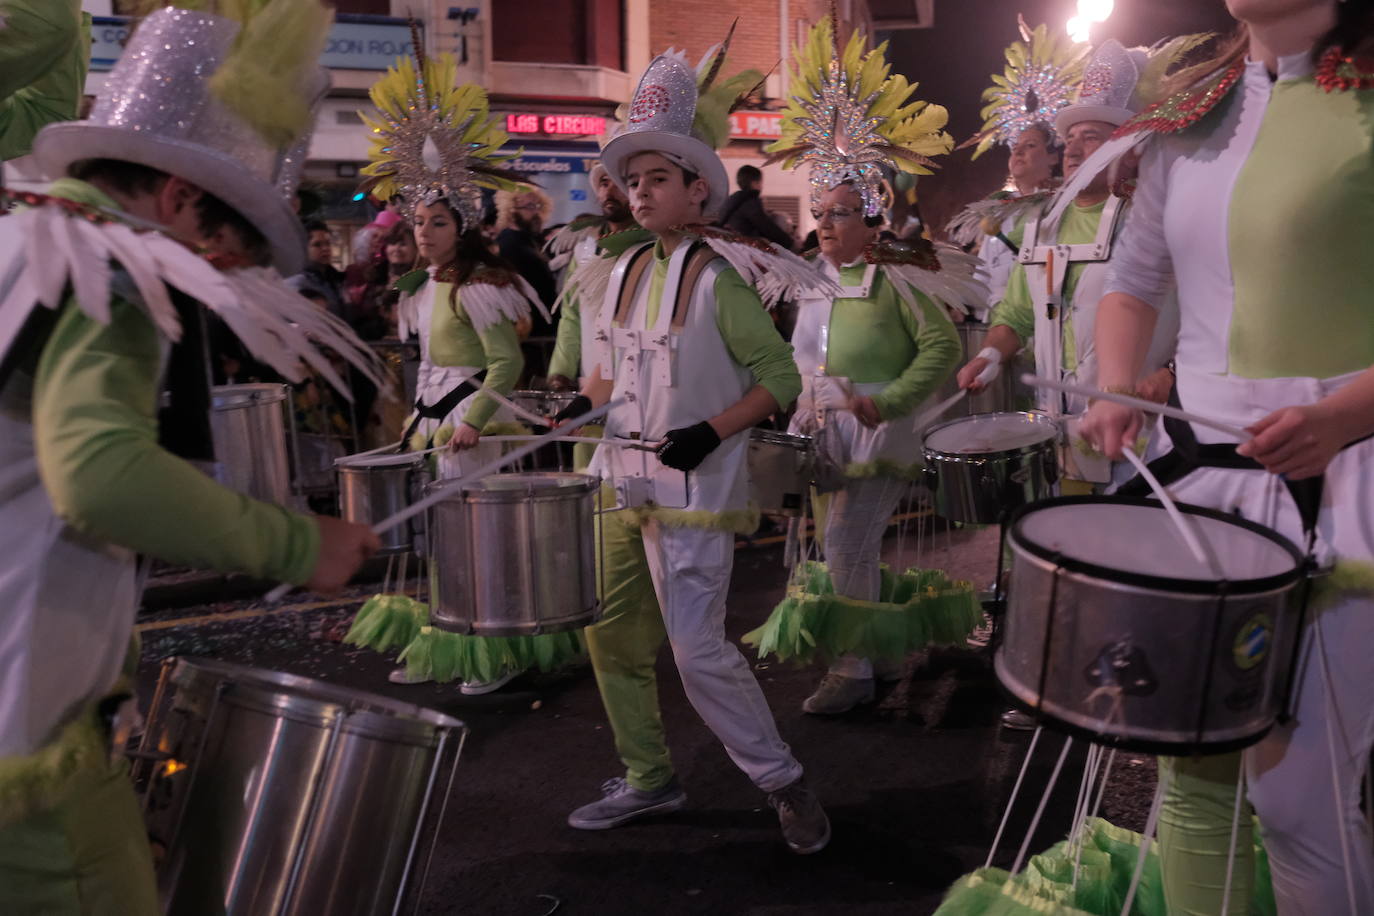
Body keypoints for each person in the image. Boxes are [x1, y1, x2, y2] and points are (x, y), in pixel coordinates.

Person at [0, 3, 383, 912]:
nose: (218, 278)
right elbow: (100, 476)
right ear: (176, 199)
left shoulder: (16, 243)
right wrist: (299, 544)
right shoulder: (108, 265)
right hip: (29, 768)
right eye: (226, 246)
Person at [1076, 3, 1374, 913]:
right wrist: (1113, 389)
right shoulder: (1189, 111)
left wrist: (1340, 414)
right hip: (1199, 486)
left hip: (1345, 487)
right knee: (1192, 780)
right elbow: (1131, 281)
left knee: (1301, 802)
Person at [553, 43, 836, 854]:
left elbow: (780, 380)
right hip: (623, 479)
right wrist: (578, 407)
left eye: (657, 180)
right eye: (632, 181)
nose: (639, 193)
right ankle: (649, 778)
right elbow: (611, 376)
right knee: (610, 630)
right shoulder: (619, 272)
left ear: (697, 190)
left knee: (696, 650)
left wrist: (710, 430)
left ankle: (783, 782)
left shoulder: (720, 277)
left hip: (694, 489)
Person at [743, 18, 984, 715]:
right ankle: (872, 659)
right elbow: (799, 352)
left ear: (872, 217)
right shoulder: (812, 276)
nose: (827, 223)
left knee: (846, 543)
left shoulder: (900, 278)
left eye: (843, 213)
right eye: (821, 211)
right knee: (841, 547)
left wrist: (890, 402)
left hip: (876, 432)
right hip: (822, 430)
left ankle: (852, 672)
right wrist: (797, 406)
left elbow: (939, 349)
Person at [343, 50, 577, 697]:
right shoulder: (424, 285)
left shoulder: (478, 284)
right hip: (433, 423)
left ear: (463, 226)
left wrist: (472, 423)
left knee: (478, 542)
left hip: (468, 426)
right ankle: (449, 644)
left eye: (437, 221)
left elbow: (506, 360)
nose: (423, 230)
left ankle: (494, 650)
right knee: (442, 541)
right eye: (418, 221)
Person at [947, 21, 1087, 318]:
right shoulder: (997, 214)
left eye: (1031, 145)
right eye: (1015, 147)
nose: (1019, 151)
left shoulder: (1065, 206)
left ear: (1053, 158)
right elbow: (982, 281)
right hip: (1000, 336)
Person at [546, 161, 650, 394]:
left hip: (641, 382)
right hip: (590, 379)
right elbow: (571, 316)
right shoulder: (585, 248)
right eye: (604, 183)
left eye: (619, 184)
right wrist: (561, 371)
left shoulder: (654, 248)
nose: (609, 191)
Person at [717, 163, 795, 250]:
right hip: (746, 248)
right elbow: (766, 227)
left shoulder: (733, 200)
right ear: (754, 183)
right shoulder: (750, 202)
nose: (762, 187)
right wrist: (790, 243)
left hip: (732, 245)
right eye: (760, 183)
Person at [288, 218, 347, 319]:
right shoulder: (297, 283)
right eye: (317, 245)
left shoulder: (336, 279)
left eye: (328, 243)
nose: (325, 248)